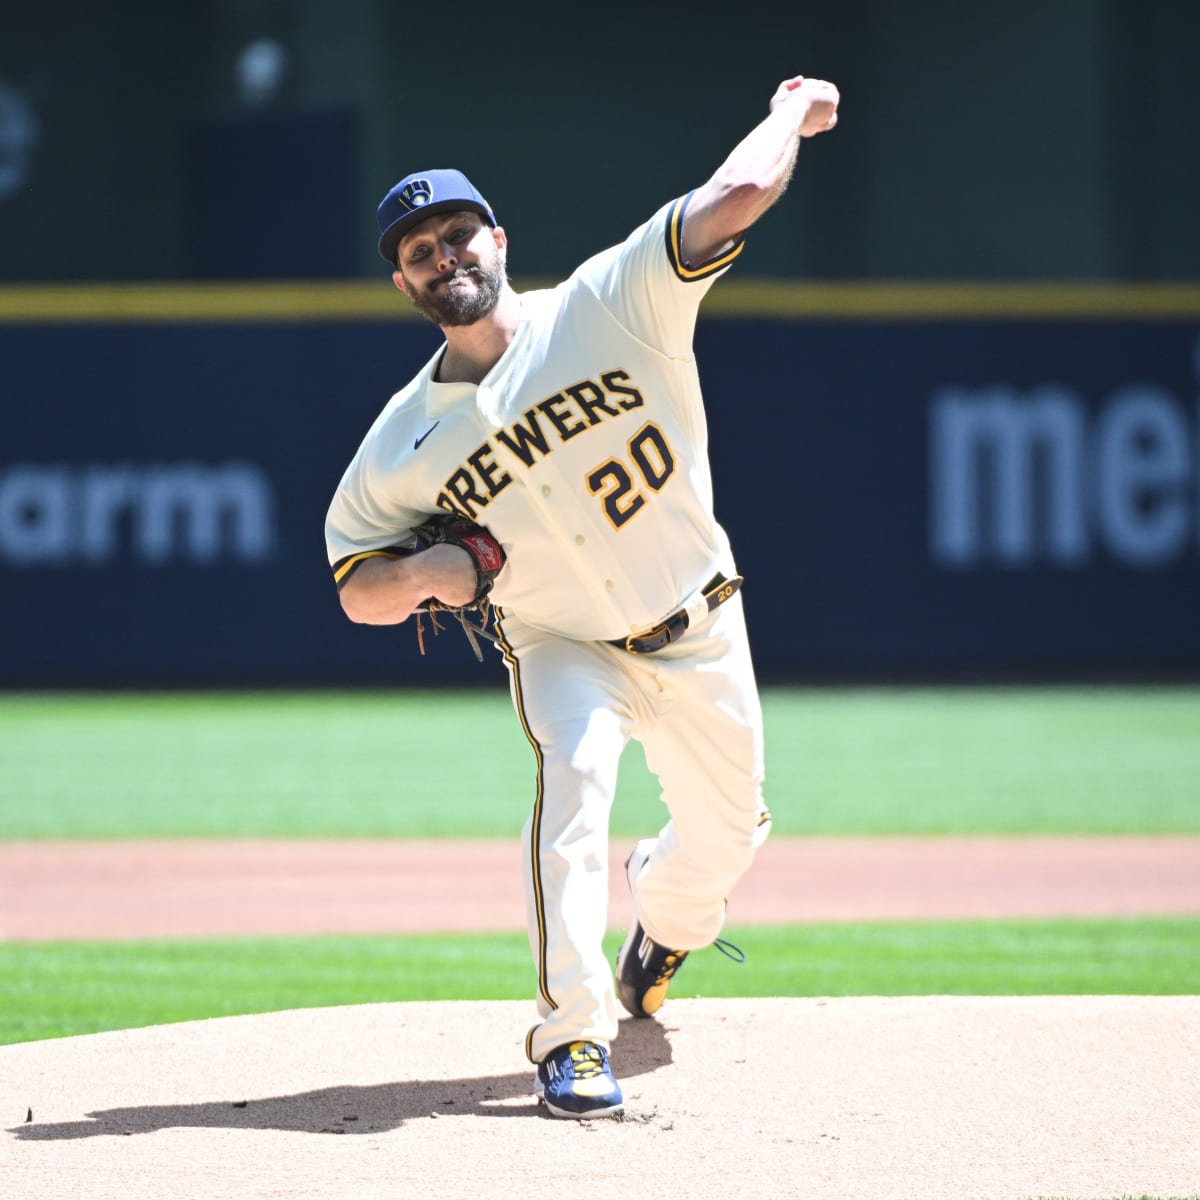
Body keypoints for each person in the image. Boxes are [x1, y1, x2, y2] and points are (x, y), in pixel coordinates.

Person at [325, 73, 840, 1120]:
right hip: (564, 643)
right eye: (419, 252)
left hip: (700, 622)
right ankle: (572, 1034)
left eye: (458, 234)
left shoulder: (611, 301)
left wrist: (790, 112)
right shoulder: (401, 441)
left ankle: (665, 927)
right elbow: (354, 587)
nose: (444, 257)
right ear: (403, 287)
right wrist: (434, 574)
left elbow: (738, 191)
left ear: (500, 239)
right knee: (576, 786)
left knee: (723, 843)